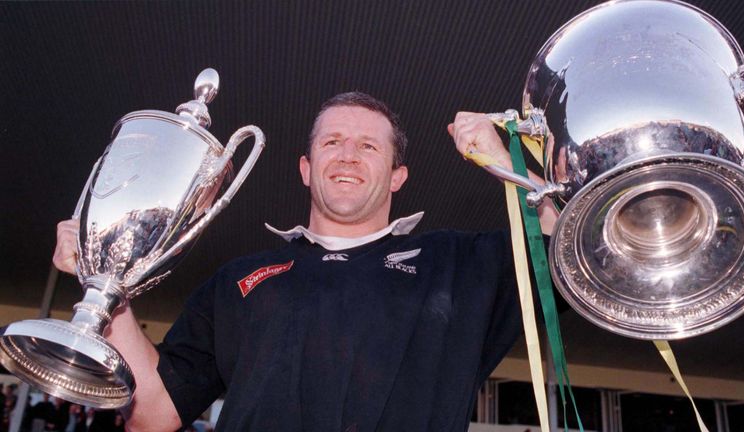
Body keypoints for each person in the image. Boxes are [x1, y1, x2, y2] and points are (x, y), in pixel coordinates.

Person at [53, 92, 555, 431]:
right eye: (332, 143)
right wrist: (105, 282)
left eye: (368, 146)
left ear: (398, 176)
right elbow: (154, 413)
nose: (348, 156)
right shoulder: (239, 281)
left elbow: (576, 255)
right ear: (306, 168)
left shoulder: (461, 265)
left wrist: (507, 163)